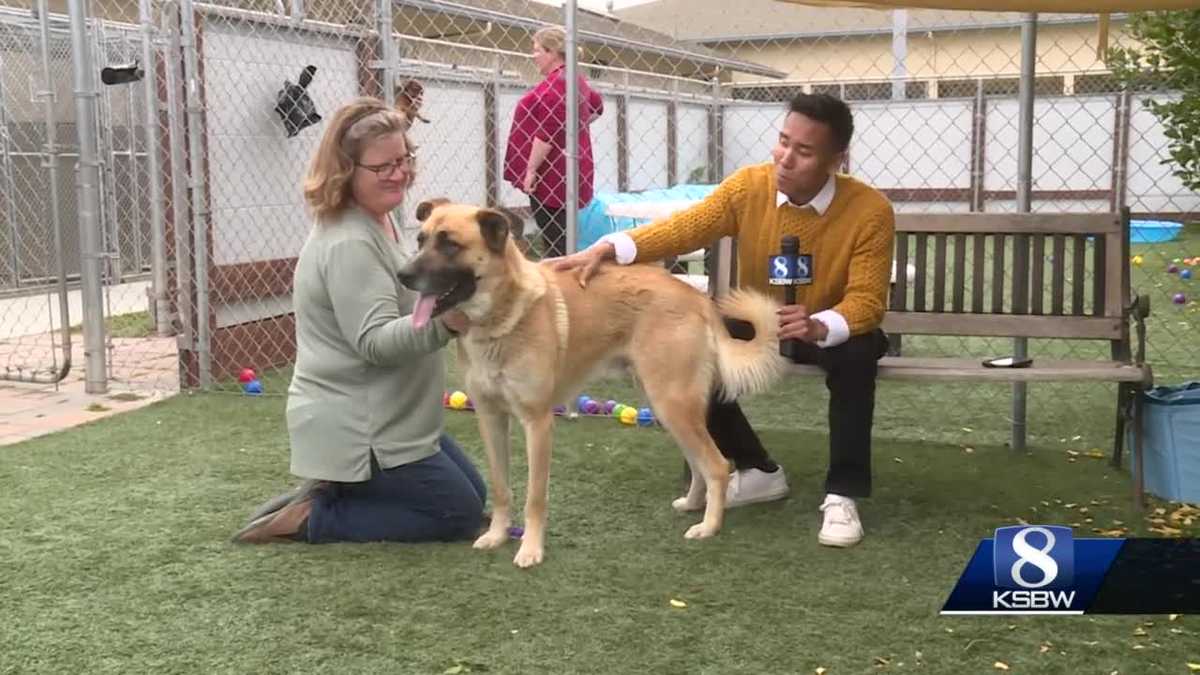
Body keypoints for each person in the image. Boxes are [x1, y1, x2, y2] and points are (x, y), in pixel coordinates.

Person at [552, 93, 894, 548]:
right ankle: (756, 470)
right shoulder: (748, 187)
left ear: (837, 160)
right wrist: (612, 247)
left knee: (858, 353)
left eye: (804, 151)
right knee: (688, 341)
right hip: (757, 323)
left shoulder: (869, 210)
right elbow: (683, 227)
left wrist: (820, 324)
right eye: (783, 141)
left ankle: (842, 494)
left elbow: (868, 300)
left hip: (824, 325)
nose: (785, 158)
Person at [233, 97, 485, 544]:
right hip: (361, 428)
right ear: (347, 170)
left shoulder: (376, 220)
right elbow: (374, 342)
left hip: (392, 418)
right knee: (457, 513)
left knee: (475, 494)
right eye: (382, 166)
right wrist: (450, 322)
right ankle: (314, 517)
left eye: (404, 159)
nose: (399, 173)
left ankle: (333, 489)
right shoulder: (350, 240)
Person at [503, 25, 604, 258]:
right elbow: (597, 107)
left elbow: (548, 132)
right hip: (560, 174)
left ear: (552, 52)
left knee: (556, 242)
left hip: (551, 177)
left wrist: (531, 169)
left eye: (537, 50)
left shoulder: (559, 83)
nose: (533, 55)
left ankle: (560, 286)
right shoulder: (572, 80)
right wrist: (575, 128)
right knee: (558, 238)